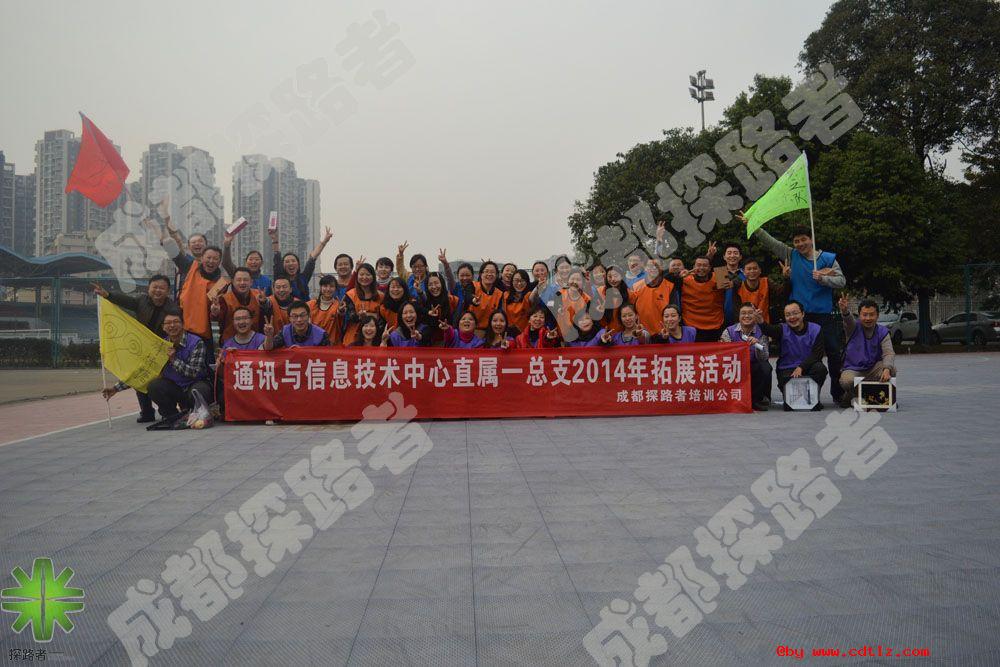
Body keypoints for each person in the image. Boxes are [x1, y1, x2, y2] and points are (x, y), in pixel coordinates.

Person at [742, 217, 847, 403]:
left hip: (823, 315)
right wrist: (754, 225)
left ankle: (838, 394)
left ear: (811, 239)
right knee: (792, 352)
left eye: (803, 240)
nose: (800, 244)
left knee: (833, 353)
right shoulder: (791, 255)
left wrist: (823, 279)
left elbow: (841, 281)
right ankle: (793, 388)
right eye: (796, 241)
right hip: (797, 317)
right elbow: (770, 242)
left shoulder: (827, 259)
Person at [102, 309, 213, 421]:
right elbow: (143, 370)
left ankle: (196, 412)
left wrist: (173, 360)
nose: (172, 325)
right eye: (168, 323)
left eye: (176, 322)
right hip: (175, 388)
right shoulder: (160, 346)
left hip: (195, 384)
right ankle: (174, 417)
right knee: (154, 386)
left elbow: (194, 372)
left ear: (183, 325)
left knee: (200, 390)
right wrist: (115, 389)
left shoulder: (196, 342)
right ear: (163, 327)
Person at [92, 274, 176, 423]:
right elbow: (126, 301)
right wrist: (107, 295)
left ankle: (167, 410)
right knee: (139, 377)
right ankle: (146, 412)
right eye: (155, 287)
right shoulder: (141, 301)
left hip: (161, 349)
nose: (158, 290)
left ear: (168, 291)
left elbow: (176, 326)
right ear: (149, 288)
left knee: (161, 381)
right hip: (141, 346)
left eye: (162, 288)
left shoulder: (173, 308)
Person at [163, 237, 229, 362]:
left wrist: (215, 311)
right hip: (181, 329)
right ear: (202, 258)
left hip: (204, 334)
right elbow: (177, 257)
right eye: (208, 257)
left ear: (219, 261)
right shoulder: (191, 268)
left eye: (215, 259)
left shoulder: (221, 284)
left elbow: (216, 312)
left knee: (204, 367)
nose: (211, 261)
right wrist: (168, 242)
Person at [758, 300, 827, 410]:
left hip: (808, 367)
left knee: (820, 368)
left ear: (803, 314)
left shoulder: (816, 329)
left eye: (795, 313)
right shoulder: (782, 329)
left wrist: (801, 367)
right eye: (788, 315)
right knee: (791, 404)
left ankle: (813, 398)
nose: (792, 317)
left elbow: (817, 354)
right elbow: (769, 330)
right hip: (786, 368)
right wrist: (761, 321)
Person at [837, 296, 896, 407]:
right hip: (853, 369)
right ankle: (852, 395)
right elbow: (848, 320)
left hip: (873, 368)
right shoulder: (852, 327)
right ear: (859, 315)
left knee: (891, 370)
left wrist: (887, 368)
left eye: (871, 314)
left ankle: (884, 398)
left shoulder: (883, 332)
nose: (868, 318)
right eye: (864, 315)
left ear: (877, 316)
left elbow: (888, 352)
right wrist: (844, 311)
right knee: (847, 381)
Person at [721, 302, 773, 410]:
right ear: (739, 316)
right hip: (735, 365)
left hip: (754, 364)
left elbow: (764, 357)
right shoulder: (729, 331)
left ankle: (757, 399)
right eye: (743, 313)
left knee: (765, 367)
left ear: (755, 315)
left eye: (750, 313)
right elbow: (724, 353)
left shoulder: (762, 331)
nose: (746, 316)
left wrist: (757, 344)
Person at [270, 226, 332, 300]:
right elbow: (277, 257)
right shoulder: (279, 278)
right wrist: (275, 239)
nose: (290, 263)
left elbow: (312, 258)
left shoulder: (303, 278)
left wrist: (324, 241)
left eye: (293, 261)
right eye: (287, 262)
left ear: (298, 264)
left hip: (304, 306)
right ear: (283, 266)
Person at [211, 267, 267, 347]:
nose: (242, 283)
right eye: (239, 280)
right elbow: (217, 320)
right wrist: (215, 313)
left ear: (251, 282)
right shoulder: (224, 299)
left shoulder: (258, 296)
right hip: (230, 344)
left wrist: (264, 303)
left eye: (246, 280)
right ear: (233, 282)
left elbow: (266, 317)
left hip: (255, 343)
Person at [675, 256, 727, 342]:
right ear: (693, 267)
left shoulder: (719, 277)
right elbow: (665, 279)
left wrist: (732, 282)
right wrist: (677, 276)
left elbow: (737, 279)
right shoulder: (684, 279)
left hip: (715, 324)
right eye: (698, 265)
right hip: (691, 325)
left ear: (710, 268)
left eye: (705, 265)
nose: (701, 268)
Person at [629, 258, 675, 335]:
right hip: (643, 333)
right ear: (645, 268)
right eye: (650, 265)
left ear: (661, 268)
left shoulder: (670, 286)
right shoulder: (636, 287)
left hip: (665, 333)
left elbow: (675, 312)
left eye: (656, 265)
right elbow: (630, 312)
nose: (653, 268)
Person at [342, 263, 383, 344]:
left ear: (373, 277)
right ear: (357, 276)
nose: (364, 277)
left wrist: (366, 315)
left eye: (368, 274)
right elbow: (351, 316)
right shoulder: (350, 294)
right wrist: (370, 315)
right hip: (353, 337)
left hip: (375, 336)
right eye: (361, 274)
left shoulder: (381, 296)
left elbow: (382, 318)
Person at [263, 301, 331, 349]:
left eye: (302, 315)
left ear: (309, 316)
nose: (299, 320)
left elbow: (328, 357)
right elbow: (268, 348)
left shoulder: (321, 334)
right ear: (289, 318)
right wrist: (269, 336)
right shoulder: (285, 331)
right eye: (295, 316)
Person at [222, 230, 272, 294]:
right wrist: (227, 246)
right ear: (246, 262)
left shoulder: (267, 281)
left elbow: (270, 298)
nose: (253, 262)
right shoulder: (237, 274)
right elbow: (226, 263)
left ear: (262, 263)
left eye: (256, 259)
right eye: (250, 259)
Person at [468, 261, 504, 335]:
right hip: (471, 330)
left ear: (496, 275)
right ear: (481, 274)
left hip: (490, 331)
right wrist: (473, 300)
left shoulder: (499, 294)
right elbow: (467, 296)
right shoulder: (473, 285)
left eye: (492, 272)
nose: (489, 274)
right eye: (486, 271)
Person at [736, 258, 775, 323]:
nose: (752, 271)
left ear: (760, 271)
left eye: (755, 268)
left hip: (764, 323)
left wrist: (786, 278)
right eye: (749, 269)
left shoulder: (767, 282)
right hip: (746, 323)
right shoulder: (738, 286)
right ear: (743, 272)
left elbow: (781, 292)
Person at [309, 275, 345, 345]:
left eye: (331, 286)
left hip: (332, 346)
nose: (328, 289)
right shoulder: (310, 304)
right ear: (320, 287)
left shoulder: (339, 305)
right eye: (325, 286)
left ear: (335, 288)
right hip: (313, 344)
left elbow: (341, 317)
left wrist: (341, 311)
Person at [599, 266, 629, 331]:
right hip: (609, 332)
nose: (613, 279)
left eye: (616, 276)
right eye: (609, 276)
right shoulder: (602, 293)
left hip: (625, 332)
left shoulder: (629, 294)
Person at [504, 269, 533, 334]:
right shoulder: (505, 295)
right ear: (512, 281)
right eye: (516, 280)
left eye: (522, 281)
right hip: (508, 333)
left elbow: (534, 296)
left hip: (525, 334)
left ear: (527, 282)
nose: (519, 283)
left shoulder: (529, 295)